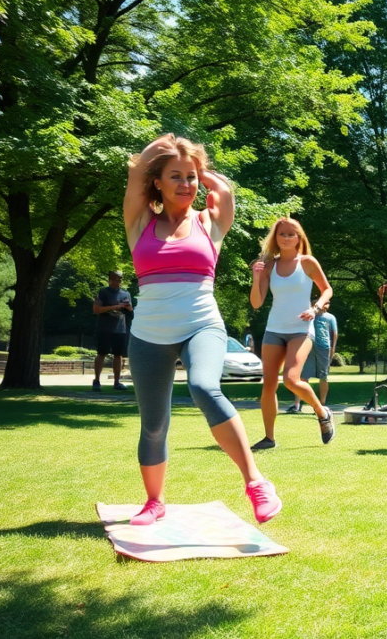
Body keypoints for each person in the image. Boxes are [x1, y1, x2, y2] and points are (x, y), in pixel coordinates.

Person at [122, 134, 280, 526]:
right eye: (175, 176)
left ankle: (256, 482)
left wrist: (196, 164)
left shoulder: (210, 222)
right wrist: (164, 146)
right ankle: (154, 502)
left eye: (191, 177)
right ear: (157, 182)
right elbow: (137, 171)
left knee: (205, 387)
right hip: (149, 335)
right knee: (154, 425)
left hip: (201, 326)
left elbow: (224, 191)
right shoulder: (140, 221)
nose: (185, 184)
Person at [249, 217, 335, 450]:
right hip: (274, 329)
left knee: (291, 379)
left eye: (291, 234)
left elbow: (327, 289)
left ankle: (322, 412)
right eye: (282, 234)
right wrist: (256, 278)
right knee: (268, 385)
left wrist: (315, 309)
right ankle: (269, 438)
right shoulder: (268, 265)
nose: (286, 238)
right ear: (275, 238)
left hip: (301, 329)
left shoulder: (307, 262)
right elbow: (256, 303)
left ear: (299, 238)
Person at [287, 302, 338, 413]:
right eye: (324, 303)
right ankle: (297, 405)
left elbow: (334, 334)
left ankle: (322, 404)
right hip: (309, 346)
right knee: (302, 376)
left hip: (324, 347)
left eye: (328, 303)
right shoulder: (310, 315)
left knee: (323, 376)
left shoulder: (330, 317)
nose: (325, 305)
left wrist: (333, 349)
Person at [92, 270, 133, 392]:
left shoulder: (125, 293)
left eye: (120, 279)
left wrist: (128, 307)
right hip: (104, 328)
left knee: (118, 355)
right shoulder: (103, 292)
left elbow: (131, 313)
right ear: (110, 280)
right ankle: (97, 381)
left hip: (120, 329)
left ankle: (117, 382)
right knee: (101, 353)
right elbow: (96, 309)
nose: (118, 282)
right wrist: (116, 306)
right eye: (116, 279)